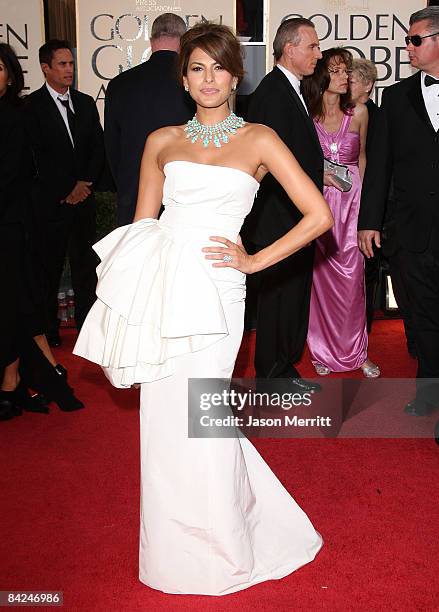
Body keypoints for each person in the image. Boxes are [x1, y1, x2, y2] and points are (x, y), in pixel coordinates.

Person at [74, 23, 333, 595]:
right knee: (166, 418)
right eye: (197, 68)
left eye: (219, 67)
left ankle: (226, 550)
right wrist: (127, 303)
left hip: (219, 290)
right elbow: (142, 228)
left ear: (236, 75)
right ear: (184, 78)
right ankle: (173, 551)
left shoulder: (261, 138)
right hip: (166, 285)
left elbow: (319, 216)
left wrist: (255, 260)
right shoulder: (161, 141)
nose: (209, 78)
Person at [358, 6, 439, 415]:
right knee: (421, 312)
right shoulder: (395, 96)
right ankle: (428, 389)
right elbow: (380, 164)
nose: (407, 47)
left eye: (415, 39)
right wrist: (370, 221)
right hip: (412, 228)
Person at [0, 43, 84, 420]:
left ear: (10, 75)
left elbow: (17, 176)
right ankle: (16, 379)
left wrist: (76, 186)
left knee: (17, 302)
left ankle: (16, 379)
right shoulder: (29, 110)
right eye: (61, 63)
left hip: (12, 226)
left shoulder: (17, 117)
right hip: (25, 218)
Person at [242, 18, 323, 392]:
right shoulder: (274, 94)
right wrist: (298, 219)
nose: (317, 54)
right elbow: (268, 168)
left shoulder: (289, 90)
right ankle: (272, 376)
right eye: (312, 47)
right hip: (280, 220)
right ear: (289, 49)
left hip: (292, 218)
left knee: (290, 299)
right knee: (277, 301)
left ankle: (283, 370)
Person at [303, 48, 380, 377]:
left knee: (353, 281)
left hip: (352, 207)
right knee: (320, 280)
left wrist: (367, 211)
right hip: (318, 205)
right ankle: (321, 350)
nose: (344, 76)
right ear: (322, 75)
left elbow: (363, 159)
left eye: (346, 71)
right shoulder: (308, 114)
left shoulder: (360, 112)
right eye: (336, 71)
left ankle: (357, 352)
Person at [24, 39, 105, 348]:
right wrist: (66, 188)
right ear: (45, 68)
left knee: (86, 267)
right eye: (62, 64)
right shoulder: (31, 108)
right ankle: (49, 329)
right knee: (49, 268)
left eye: (71, 63)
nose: (69, 69)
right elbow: (35, 158)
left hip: (84, 201)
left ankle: (86, 327)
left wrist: (84, 183)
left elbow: (98, 147)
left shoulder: (84, 103)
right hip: (51, 203)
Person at [104, 13, 194, 226]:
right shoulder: (192, 82)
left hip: (133, 193)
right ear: (183, 41)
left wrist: (127, 182)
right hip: (183, 197)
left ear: (151, 40)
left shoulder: (119, 84)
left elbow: (111, 146)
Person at [349, 59, 380, 332]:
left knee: (367, 273)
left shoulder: (381, 117)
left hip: (372, 206)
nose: (347, 85)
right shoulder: (339, 114)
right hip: (342, 202)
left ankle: (362, 333)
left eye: (353, 80)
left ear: (368, 85)